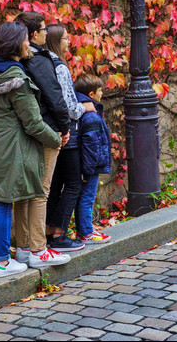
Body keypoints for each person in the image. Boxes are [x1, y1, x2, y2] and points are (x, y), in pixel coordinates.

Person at [0, 21, 63, 277]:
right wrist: (55, 139)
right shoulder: (16, 78)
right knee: (2, 202)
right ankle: (1, 262)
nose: (28, 44)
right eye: (25, 40)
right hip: (9, 148)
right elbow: (33, 123)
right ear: (15, 44)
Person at [10, 12, 73, 268]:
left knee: (25, 192)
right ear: (34, 34)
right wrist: (65, 126)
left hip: (24, 131)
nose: (47, 34)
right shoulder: (39, 59)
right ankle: (38, 249)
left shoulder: (17, 58)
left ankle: (24, 248)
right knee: (41, 189)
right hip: (46, 129)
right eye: (44, 30)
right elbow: (53, 95)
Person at [43, 23, 94, 252]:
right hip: (67, 133)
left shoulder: (42, 63)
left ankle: (47, 232)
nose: (68, 42)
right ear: (55, 41)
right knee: (73, 183)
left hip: (50, 131)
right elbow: (69, 107)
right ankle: (59, 235)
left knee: (54, 185)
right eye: (65, 38)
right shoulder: (59, 67)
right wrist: (86, 107)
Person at [74, 72, 113, 244]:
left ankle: (83, 230)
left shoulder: (87, 109)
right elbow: (91, 144)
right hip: (90, 166)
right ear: (91, 94)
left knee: (84, 197)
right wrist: (89, 170)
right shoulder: (90, 114)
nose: (102, 93)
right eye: (100, 90)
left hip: (87, 165)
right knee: (87, 197)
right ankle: (86, 232)